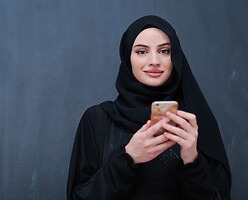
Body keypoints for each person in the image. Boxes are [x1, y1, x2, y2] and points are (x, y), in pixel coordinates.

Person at [67, 15, 231, 200]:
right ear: (127, 58)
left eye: (165, 51)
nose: (154, 60)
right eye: (141, 51)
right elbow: (78, 197)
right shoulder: (98, 119)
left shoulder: (192, 122)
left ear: (175, 58)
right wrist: (128, 158)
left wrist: (191, 160)